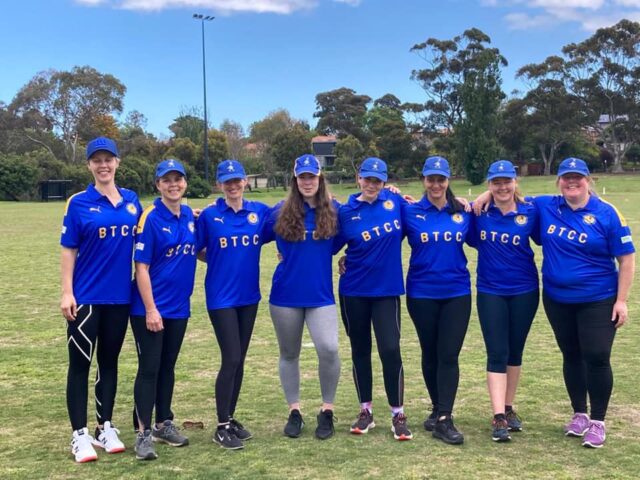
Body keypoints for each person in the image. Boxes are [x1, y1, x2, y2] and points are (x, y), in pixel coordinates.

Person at [536, 158, 635, 448]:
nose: (571, 182)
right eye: (566, 177)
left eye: (577, 177)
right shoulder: (546, 206)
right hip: (557, 299)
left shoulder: (607, 213)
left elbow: (626, 259)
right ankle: (579, 413)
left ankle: (598, 421)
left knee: (597, 355)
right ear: (558, 181)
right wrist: (480, 196)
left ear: (588, 180)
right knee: (571, 354)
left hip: (598, 299)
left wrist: (622, 301)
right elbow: (508, 193)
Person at [60, 137, 142, 463]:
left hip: (120, 298)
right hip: (86, 299)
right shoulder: (78, 202)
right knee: (80, 365)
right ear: (89, 165)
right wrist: (67, 292)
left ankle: (104, 427)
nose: (103, 165)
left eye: (109, 159)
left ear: (118, 162)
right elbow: (68, 249)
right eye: (97, 160)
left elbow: (150, 228)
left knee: (109, 364)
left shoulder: (132, 201)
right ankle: (79, 434)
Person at [335, 157, 413, 441]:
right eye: (368, 179)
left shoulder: (396, 204)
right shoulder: (345, 211)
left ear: (384, 182)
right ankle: (365, 410)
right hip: (353, 290)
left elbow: (423, 213)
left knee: (391, 349)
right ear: (359, 178)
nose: (372, 184)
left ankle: (398, 413)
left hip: (387, 291)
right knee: (360, 350)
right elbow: (328, 245)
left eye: (377, 180)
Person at [196, 160, 272, 450]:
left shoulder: (260, 213)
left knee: (239, 359)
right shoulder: (210, 216)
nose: (232, 185)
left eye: (237, 180)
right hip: (221, 298)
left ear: (245, 182)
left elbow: (287, 223)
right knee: (230, 358)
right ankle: (220, 426)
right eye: (227, 181)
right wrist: (214, 260)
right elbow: (197, 249)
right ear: (219, 185)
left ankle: (230, 417)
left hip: (248, 297)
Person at [266, 154, 341, 440]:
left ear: (319, 178)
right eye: (302, 177)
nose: (307, 181)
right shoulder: (278, 212)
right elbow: (246, 225)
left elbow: (355, 234)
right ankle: (294, 411)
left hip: (321, 296)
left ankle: (327, 410)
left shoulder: (334, 210)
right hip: (285, 296)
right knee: (289, 354)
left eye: (312, 176)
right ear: (295, 180)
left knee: (329, 348)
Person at [466, 160, 540, 442]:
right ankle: (498, 416)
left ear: (515, 182)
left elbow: (556, 202)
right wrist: (478, 199)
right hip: (491, 290)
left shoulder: (531, 211)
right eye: (496, 183)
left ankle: (508, 408)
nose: (502, 187)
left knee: (515, 352)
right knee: (496, 351)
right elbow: (461, 212)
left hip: (525, 290)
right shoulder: (479, 213)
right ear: (489, 185)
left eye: (506, 181)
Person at [129, 159, 196, 460]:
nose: (173, 185)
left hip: (179, 308)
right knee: (149, 369)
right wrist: (151, 309)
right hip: (149, 310)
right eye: (166, 180)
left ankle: (162, 423)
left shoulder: (189, 217)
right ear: (157, 184)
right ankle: (142, 434)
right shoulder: (151, 218)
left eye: (178, 179)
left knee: (168, 367)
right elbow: (141, 268)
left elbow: (199, 251)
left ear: (184, 183)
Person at [402, 156, 471, 445]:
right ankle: (436, 408)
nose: (435, 184)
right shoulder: (409, 211)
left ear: (448, 181)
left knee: (449, 354)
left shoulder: (465, 211)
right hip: (421, 293)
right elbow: (377, 236)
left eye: (440, 179)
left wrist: (482, 197)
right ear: (423, 181)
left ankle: (445, 417)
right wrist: (347, 258)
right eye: (430, 179)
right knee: (429, 353)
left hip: (456, 293)